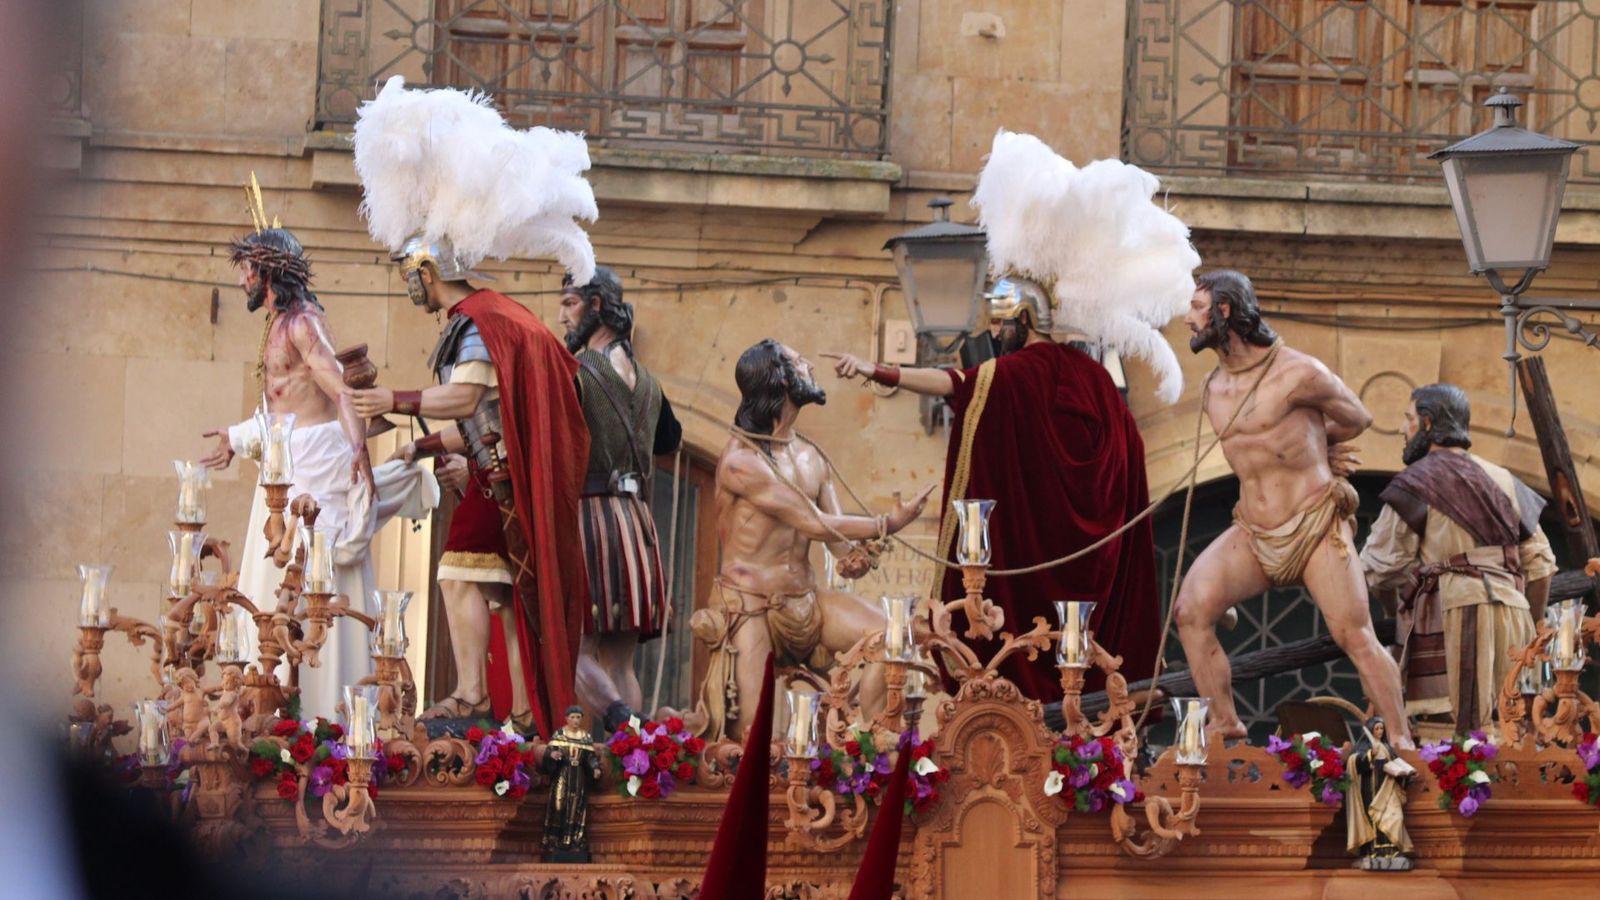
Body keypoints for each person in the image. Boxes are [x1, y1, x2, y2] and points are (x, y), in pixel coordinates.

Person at [347, 76, 597, 737]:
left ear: (429, 269)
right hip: (500, 470)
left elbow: (468, 397)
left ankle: (470, 697)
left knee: (458, 575)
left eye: (411, 275)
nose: (410, 290)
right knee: (501, 595)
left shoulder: (479, 320)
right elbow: (478, 420)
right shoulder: (495, 316)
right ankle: (516, 709)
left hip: (500, 480)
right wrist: (427, 445)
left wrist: (393, 401)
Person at [828, 277, 1160, 701]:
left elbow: (950, 382)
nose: (997, 335)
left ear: (1024, 319)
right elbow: (1127, 457)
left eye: (1002, 324)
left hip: (1027, 565)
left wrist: (875, 368)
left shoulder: (1011, 375)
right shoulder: (1097, 381)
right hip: (1096, 569)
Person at [1174, 269, 1411, 746]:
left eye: (1197, 310)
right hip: (1254, 529)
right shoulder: (1211, 390)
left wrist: (1316, 444)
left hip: (1313, 523)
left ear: (1224, 311)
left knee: (1355, 635)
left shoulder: (1299, 373)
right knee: (1190, 610)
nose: (1187, 321)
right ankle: (1226, 724)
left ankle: (1404, 741)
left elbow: (1358, 418)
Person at [694, 339, 933, 740]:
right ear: (779, 381)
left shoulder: (810, 455)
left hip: (805, 600)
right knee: (757, 739)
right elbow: (816, 524)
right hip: (751, 606)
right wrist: (886, 524)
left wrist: (853, 557)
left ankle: (870, 742)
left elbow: (836, 540)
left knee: (890, 639)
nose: (809, 366)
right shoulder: (741, 460)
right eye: (798, 362)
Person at [200, 223, 375, 719]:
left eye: (247, 271)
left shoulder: (304, 323)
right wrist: (237, 439)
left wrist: (359, 450)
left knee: (310, 589)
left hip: (313, 475)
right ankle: (265, 705)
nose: (241, 282)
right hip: (283, 471)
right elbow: (282, 413)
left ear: (270, 271)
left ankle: (319, 713)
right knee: (267, 587)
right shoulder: (275, 325)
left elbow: (340, 390)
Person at [1359, 384, 1556, 733]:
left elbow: (1376, 570)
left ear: (1428, 424)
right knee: (1510, 725)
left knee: (1450, 730)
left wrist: (1393, 614)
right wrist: (1530, 634)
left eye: (1409, 419)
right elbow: (1540, 565)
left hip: (1453, 612)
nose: (1403, 430)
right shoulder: (1505, 480)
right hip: (1514, 613)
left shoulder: (1415, 482)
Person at [557, 266, 684, 732]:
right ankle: (628, 759)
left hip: (593, 519)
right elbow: (670, 440)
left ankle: (624, 724)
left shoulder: (574, 371)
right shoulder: (649, 381)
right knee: (620, 662)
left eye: (569, 304)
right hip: (637, 525)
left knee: (571, 648)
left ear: (596, 307)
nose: (561, 317)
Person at [1345, 716, 1415, 870]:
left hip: (1388, 789)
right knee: (1375, 819)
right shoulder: (1364, 747)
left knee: (1396, 817)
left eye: (1381, 728)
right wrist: (1369, 755)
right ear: (1370, 730)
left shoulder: (1387, 748)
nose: (1379, 731)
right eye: (1376, 728)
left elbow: (1397, 763)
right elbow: (1353, 763)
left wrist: (1405, 774)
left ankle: (1393, 850)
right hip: (1371, 792)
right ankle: (1374, 851)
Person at [542, 705, 603, 861]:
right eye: (573, 717)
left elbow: (590, 758)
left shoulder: (585, 737)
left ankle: (572, 839)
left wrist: (595, 768)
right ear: (566, 718)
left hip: (579, 776)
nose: (576, 720)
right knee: (559, 803)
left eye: (578, 717)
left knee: (576, 805)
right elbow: (549, 752)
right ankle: (554, 838)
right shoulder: (560, 734)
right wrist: (553, 754)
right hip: (563, 773)